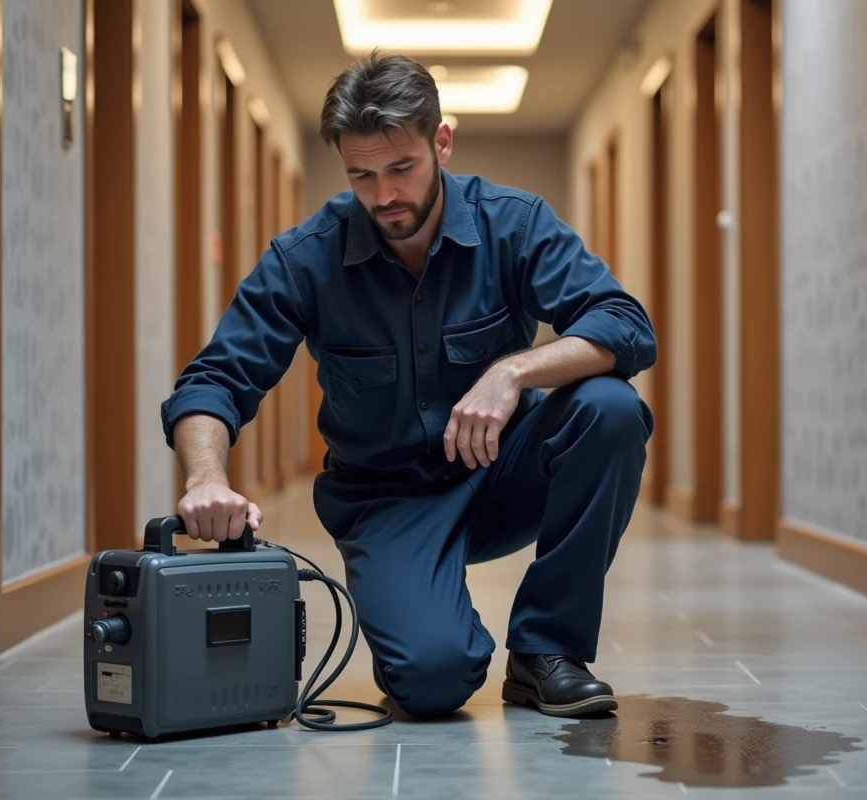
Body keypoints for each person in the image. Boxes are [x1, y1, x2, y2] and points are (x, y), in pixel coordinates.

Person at [160, 51, 656, 720]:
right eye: (361, 175)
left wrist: (512, 370)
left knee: (610, 407)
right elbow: (215, 379)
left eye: (402, 168)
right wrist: (204, 480)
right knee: (432, 681)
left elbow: (626, 325)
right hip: (386, 498)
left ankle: (547, 651)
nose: (385, 195)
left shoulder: (513, 224)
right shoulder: (306, 259)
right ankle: (436, 625)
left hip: (501, 470)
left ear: (441, 142)